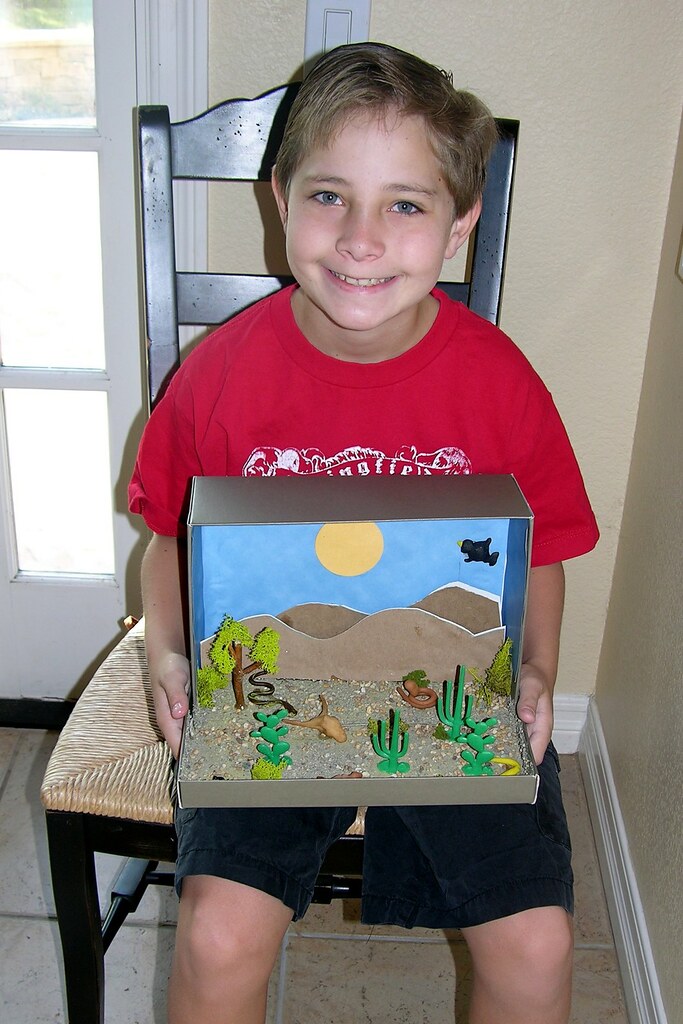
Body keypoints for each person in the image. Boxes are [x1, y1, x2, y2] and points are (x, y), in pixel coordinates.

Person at [129, 42, 599, 1024]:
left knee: (536, 936)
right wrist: (166, 654)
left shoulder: (498, 383)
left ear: (459, 225)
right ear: (278, 197)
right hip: (263, 686)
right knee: (217, 934)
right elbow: (169, 536)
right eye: (328, 196)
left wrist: (537, 672)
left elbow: (540, 549)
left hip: (453, 689)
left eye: (406, 204)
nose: (358, 239)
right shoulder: (219, 375)